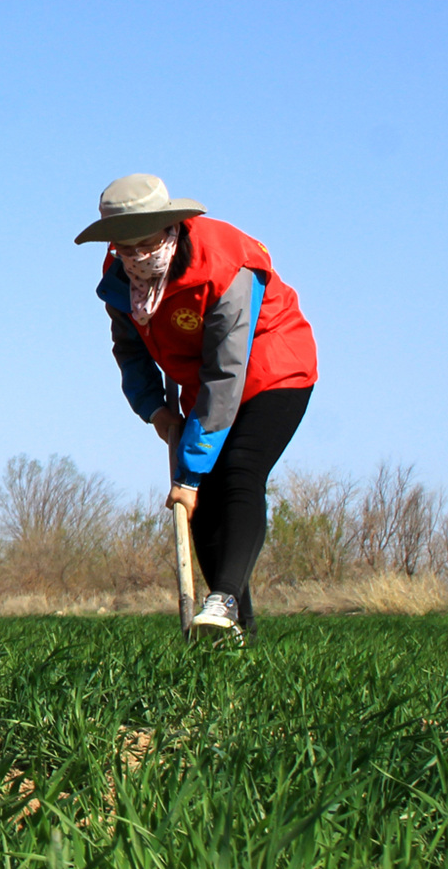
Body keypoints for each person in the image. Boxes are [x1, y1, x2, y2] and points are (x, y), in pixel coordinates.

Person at [76, 174, 317, 635]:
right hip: (203, 386)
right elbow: (129, 349)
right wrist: (156, 411)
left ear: (170, 227)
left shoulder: (224, 265)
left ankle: (222, 599)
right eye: (124, 247)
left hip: (273, 368)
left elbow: (228, 371)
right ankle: (233, 626)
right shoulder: (120, 279)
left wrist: (188, 474)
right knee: (198, 505)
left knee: (237, 473)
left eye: (145, 242)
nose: (136, 257)